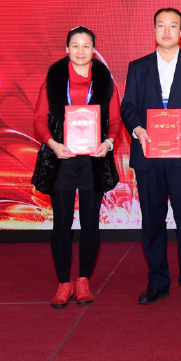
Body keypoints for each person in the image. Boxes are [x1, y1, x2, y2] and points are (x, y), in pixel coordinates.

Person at [121, 8, 181, 305]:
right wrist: (137, 129)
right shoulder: (138, 67)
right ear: (154, 30)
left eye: (173, 26)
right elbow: (128, 107)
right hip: (148, 155)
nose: (167, 31)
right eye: (161, 25)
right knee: (152, 221)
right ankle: (157, 281)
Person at [31, 26, 121, 308]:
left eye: (86, 46)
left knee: (90, 222)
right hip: (62, 160)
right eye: (75, 45)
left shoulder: (105, 82)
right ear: (67, 48)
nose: (81, 51)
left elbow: (115, 120)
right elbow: (38, 119)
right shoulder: (53, 81)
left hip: (94, 160)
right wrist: (52, 144)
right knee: (62, 223)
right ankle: (63, 283)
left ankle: (83, 281)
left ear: (94, 49)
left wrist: (109, 142)